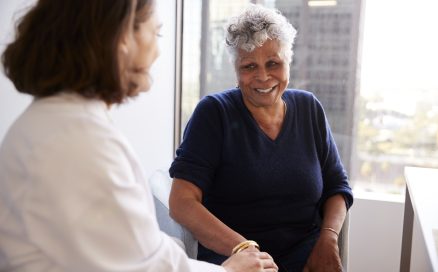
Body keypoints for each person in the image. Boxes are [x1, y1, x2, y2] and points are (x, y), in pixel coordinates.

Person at [0, 1, 279, 271]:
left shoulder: (62, 126)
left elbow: (130, 249)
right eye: (155, 33)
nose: (157, 52)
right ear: (120, 40)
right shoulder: (79, 142)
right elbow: (144, 265)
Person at [169, 4, 353, 272]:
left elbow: (337, 186)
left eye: (273, 63)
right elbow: (181, 202)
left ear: (288, 61)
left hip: (307, 256)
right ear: (235, 67)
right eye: (249, 66)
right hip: (239, 259)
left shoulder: (309, 108)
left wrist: (328, 238)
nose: (263, 76)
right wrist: (245, 249)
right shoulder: (214, 113)